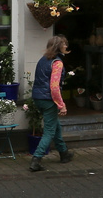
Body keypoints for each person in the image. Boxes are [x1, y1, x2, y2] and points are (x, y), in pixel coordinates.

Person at [29, 34, 73, 170]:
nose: (66, 46)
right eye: (64, 44)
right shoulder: (57, 63)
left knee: (55, 126)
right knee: (49, 131)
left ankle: (64, 153)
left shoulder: (43, 60)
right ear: (59, 47)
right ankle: (36, 159)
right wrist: (61, 105)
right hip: (49, 100)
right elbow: (54, 87)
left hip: (38, 98)